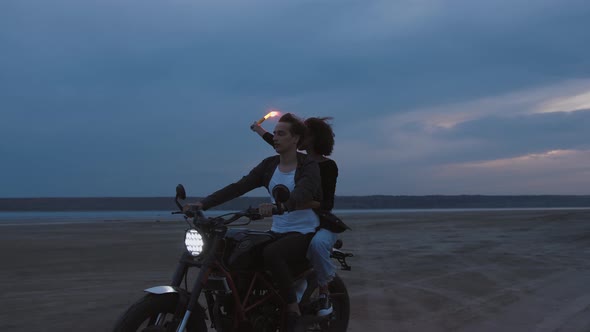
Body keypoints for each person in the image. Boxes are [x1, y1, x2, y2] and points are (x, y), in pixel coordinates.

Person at [186, 113, 321, 328]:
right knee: (235, 248)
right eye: (274, 133)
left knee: (272, 253)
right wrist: (204, 204)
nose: (275, 137)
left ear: (295, 139)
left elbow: (304, 192)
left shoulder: (308, 165)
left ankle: (293, 308)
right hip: (277, 231)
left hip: (304, 232)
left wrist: (282, 206)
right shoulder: (269, 166)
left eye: (281, 133)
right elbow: (239, 186)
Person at [251, 116, 339, 316]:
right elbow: (275, 141)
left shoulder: (327, 166)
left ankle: (324, 291)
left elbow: (327, 204)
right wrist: (258, 130)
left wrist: (291, 204)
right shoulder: (298, 161)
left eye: (304, 135)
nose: (299, 139)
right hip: (291, 220)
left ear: (314, 138)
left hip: (320, 221)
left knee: (317, 245)